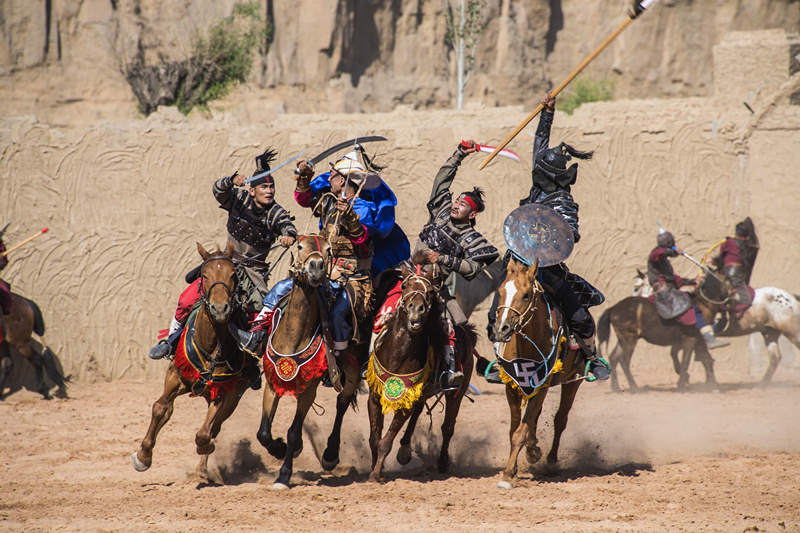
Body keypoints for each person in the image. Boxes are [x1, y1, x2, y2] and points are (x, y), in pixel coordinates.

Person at [487, 92, 607, 380]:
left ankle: (591, 358)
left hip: (548, 270)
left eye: (541, 170)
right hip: (516, 265)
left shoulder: (564, 202)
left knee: (581, 319)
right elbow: (539, 144)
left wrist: (554, 240)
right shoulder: (537, 189)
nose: (536, 170)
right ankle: (498, 359)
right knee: (496, 312)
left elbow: (570, 235)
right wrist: (547, 113)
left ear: (551, 176)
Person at [149, 149, 298, 360]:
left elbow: (287, 225)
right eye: (264, 187)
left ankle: (251, 362)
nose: (270, 191)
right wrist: (230, 181)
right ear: (252, 190)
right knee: (186, 300)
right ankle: (172, 342)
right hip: (226, 266)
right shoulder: (239, 198)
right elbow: (218, 190)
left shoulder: (276, 212)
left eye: (272, 186)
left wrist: (288, 235)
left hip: (255, 272)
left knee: (262, 313)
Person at [249, 150, 387, 369]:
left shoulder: (363, 208)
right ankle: (256, 335)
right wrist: (304, 177)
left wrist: (351, 217)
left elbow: (362, 241)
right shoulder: (329, 201)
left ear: (342, 181)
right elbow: (304, 199)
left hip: (353, 278)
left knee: (338, 313)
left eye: (331, 174)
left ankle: (338, 361)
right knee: (283, 289)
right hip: (324, 271)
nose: (327, 178)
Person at [388, 140, 499, 390]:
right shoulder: (439, 212)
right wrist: (459, 154)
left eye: (464, 204)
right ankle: (363, 360)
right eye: (458, 200)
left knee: (449, 329)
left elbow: (472, 269)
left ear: (472, 215)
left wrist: (445, 259)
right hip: (405, 280)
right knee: (377, 312)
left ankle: (448, 372)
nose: (457, 203)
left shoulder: (472, 239)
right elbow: (442, 179)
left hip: (435, 291)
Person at [647, 231, 730, 350]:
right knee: (692, 308)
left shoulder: (664, 262)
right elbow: (658, 254)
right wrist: (672, 251)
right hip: (664, 291)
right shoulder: (657, 254)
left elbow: (674, 278)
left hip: (669, 288)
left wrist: (693, 281)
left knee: (691, 299)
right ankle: (709, 339)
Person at [709, 217, 759, 311]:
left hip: (728, 273)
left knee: (709, 287)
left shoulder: (730, 242)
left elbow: (722, 259)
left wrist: (712, 261)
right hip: (740, 275)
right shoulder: (749, 245)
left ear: (736, 231)